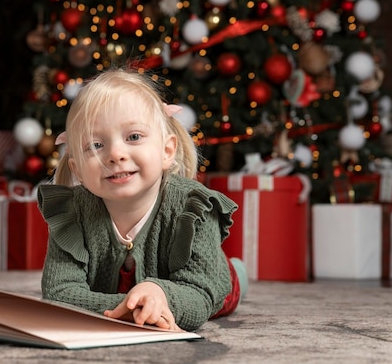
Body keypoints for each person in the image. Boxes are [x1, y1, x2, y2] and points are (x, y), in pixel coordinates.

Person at [37, 68, 246, 332]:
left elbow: (199, 296)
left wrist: (160, 294)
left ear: (166, 151)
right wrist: (128, 311)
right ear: (77, 169)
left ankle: (238, 271)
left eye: (133, 137)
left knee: (227, 289)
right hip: (121, 297)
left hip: (201, 276)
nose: (115, 154)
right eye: (96, 145)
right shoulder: (72, 213)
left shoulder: (192, 208)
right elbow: (58, 294)